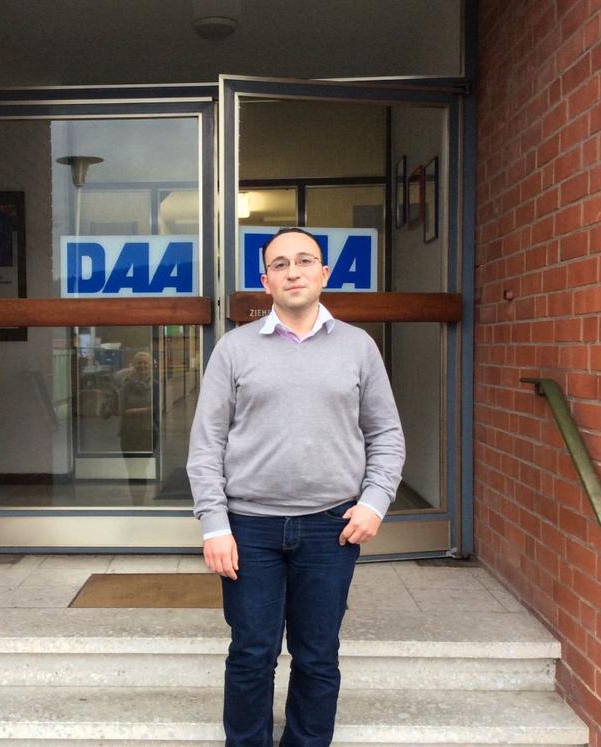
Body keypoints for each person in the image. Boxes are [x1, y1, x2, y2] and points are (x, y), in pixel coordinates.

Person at [187, 227, 405, 746]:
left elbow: (386, 434)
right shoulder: (234, 349)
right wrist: (214, 525)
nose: (293, 272)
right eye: (280, 264)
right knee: (251, 653)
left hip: (331, 527)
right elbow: (206, 443)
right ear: (266, 281)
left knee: (317, 655)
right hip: (249, 528)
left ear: (324, 273)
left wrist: (374, 502)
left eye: (304, 261)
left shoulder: (358, 347)